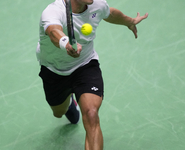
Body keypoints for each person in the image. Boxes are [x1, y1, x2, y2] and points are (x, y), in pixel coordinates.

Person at [36, 0, 148, 149]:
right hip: (55, 70)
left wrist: (130, 21)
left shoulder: (97, 4)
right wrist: (66, 44)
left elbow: (111, 14)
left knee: (91, 114)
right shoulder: (53, 11)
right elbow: (53, 31)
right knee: (58, 112)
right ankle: (70, 104)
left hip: (85, 66)